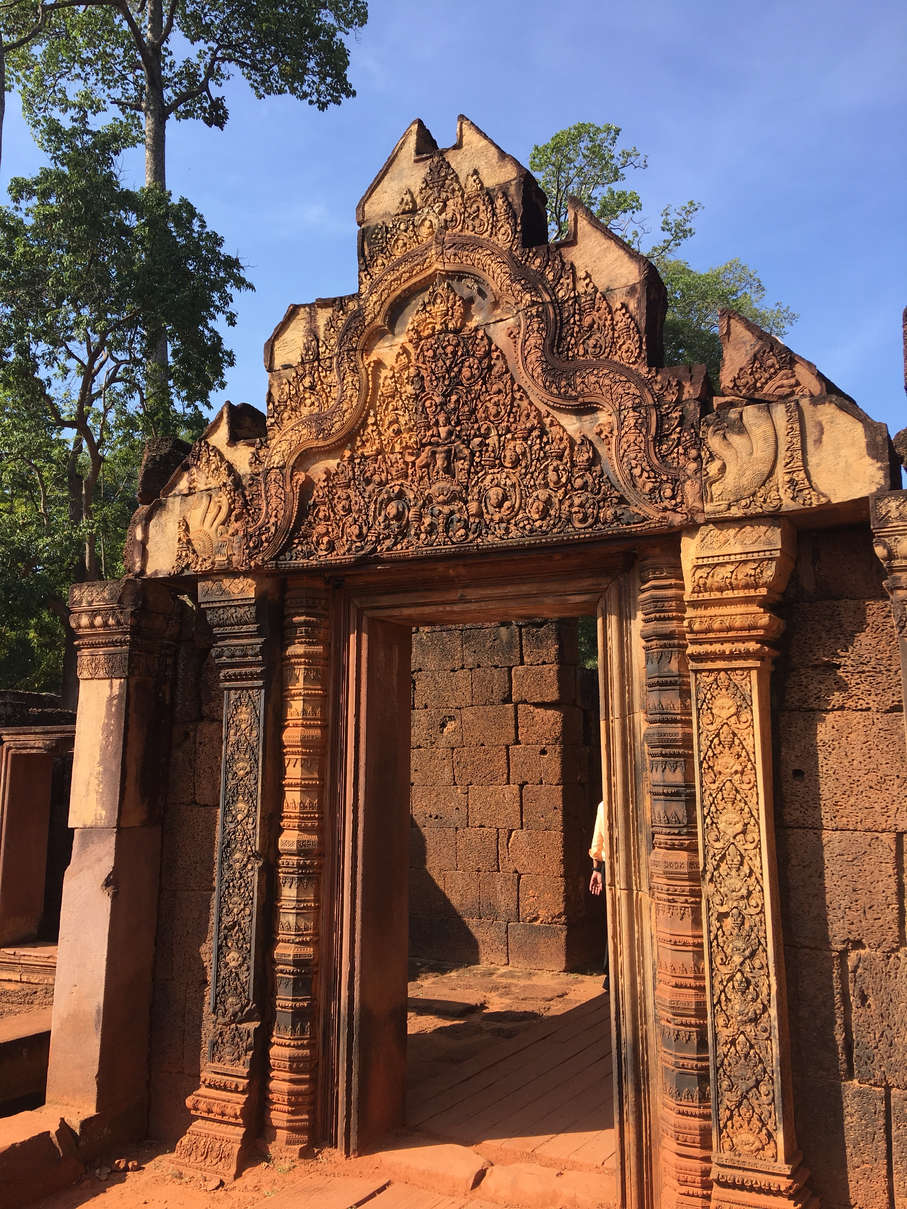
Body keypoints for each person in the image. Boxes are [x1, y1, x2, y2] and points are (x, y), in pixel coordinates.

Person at [588, 799, 609, 991]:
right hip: (622, 865)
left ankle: (611, 971)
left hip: (609, 866)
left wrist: (597, 870)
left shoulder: (603, 806)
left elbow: (597, 843)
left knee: (614, 920)